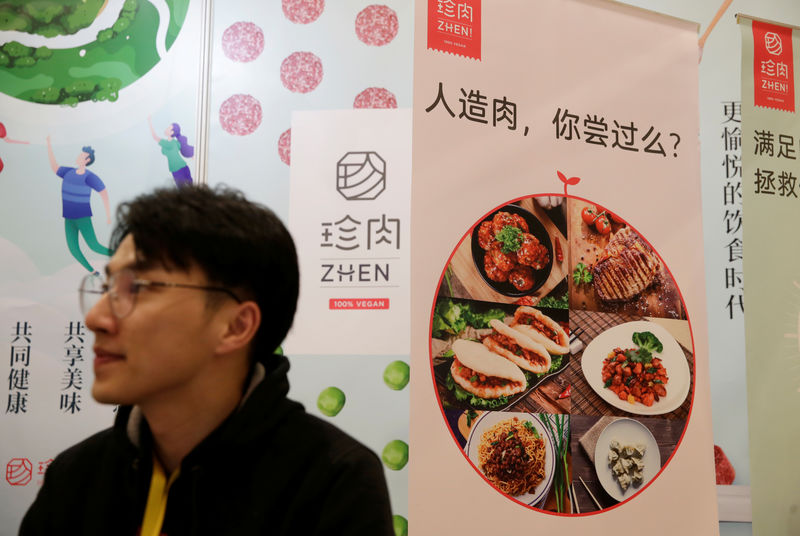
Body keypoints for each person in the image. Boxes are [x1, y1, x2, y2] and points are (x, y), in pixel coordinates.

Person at [19, 185, 394, 536]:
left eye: (137, 288)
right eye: (107, 289)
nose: (96, 318)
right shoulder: (77, 479)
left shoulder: (331, 481)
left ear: (235, 325)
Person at [46, 135, 112, 274]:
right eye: (80, 154)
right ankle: (93, 272)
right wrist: (49, 145)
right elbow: (54, 167)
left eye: (82, 155)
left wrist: (108, 215)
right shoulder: (68, 172)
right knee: (73, 248)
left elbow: (103, 192)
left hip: (83, 218)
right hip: (68, 218)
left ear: (87, 160)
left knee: (94, 246)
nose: (79, 156)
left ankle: (119, 255)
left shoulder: (89, 176)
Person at [148, 116, 194, 187]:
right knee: (188, 188)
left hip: (178, 169)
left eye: (168, 128)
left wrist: (149, 121)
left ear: (172, 132)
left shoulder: (169, 143)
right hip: (181, 168)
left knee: (183, 190)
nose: (166, 129)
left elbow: (155, 137)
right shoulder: (174, 142)